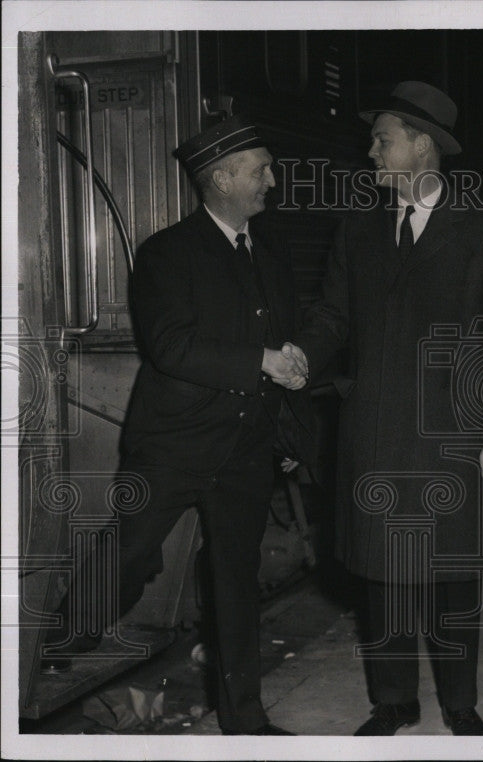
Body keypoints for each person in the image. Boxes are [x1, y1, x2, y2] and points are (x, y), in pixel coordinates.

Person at [40, 115, 314, 735]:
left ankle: (244, 718)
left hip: (244, 448)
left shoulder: (270, 252)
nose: (272, 180)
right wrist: (261, 360)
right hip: (172, 445)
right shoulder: (167, 252)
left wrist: (288, 413)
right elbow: (171, 347)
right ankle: (62, 640)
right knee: (129, 552)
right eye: (260, 170)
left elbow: (278, 343)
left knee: (235, 582)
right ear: (221, 179)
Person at [291, 81, 483, 736]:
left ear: (421, 145)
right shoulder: (359, 229)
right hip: (375, 432)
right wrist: (299, 354)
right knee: (383, 574)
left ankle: (459, 701)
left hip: (451, 437)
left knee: (451, 578)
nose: (370, 152)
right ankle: (393, 700)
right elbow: (332, 314)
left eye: (382, 138)